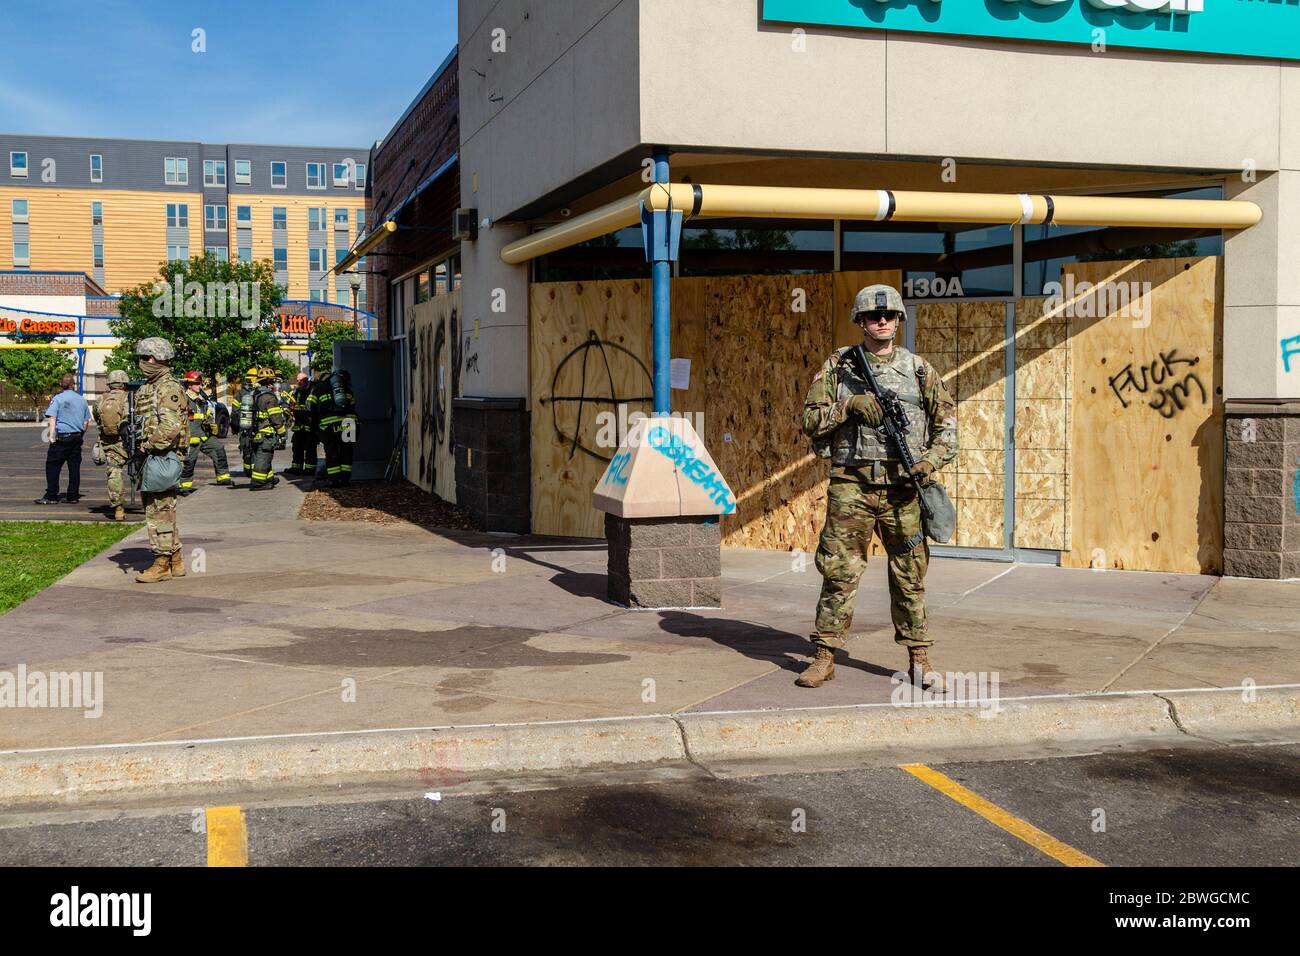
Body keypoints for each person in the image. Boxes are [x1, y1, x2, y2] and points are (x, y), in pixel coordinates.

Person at [797, 284, 958, 691]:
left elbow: (948, 430)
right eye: (872, 316)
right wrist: (847, 406)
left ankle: (920, 659)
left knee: (909, 574)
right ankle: (824, 656)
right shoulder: (840, 367)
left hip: (904, 488)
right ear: (861, 321)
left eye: (888, 315)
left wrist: (928, 462)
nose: (881, 321)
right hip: (852, 485)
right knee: (839, 571)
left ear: (899, 320)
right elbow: (811, 421)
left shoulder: (920, 370)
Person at [132, 337, 188, 584]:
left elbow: (171, 426)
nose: (142, 363)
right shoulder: (151, 387)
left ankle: (161, 564)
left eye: (145, 358)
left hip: (162, 455)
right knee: (163, 509)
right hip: (154, 455)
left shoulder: (168, 388)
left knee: (159, 511)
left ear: (156, 359)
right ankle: (176, 560)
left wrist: (146, 446)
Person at [34, 372, 92, 506]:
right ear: (73, 385)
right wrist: (81, 435)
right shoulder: (81, 400)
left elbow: (52, 418)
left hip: (62, 438)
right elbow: (86, 422)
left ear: (61, 385)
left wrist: (51, 436)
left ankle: (51, 495)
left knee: (53, 467)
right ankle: (72, 495)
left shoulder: (58, 399)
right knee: (74, 468)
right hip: (76, 437)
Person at [178, 371, 233, 495]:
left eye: (200, 383)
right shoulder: (184, 399)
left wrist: (210, 424)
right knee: (188, 462)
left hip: (203, 435)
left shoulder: (201, 399)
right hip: (190, 437)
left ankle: (223, 478)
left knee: (218, 449)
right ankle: (184, 487)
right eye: (196, 384)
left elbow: (203, 415)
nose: (199, 386)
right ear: (189, 385)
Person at [92, 369, 131, 520]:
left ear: (109, 383)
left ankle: (119, 509)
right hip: (128, 441)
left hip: (109, 442)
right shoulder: (129, 398)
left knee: (114, 473)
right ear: (124, 383)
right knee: (143, 472)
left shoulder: (101, 399)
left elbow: (97, 418)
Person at [248, 367, 287, 490]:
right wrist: (282, 433)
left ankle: (268, 478)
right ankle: (258, 483)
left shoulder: (254, 394)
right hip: (266, 432)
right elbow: (276, 418)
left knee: (266, 456)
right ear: (269, 383)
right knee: (263, 456)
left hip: (255, 431)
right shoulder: (270, 397)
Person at [318, 368, 356, 488]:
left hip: (330, 426)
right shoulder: (348, 391)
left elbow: (310, 407)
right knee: (347, 452)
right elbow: (353, 407)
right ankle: (345, 480)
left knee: (332, 452)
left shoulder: (320, 389)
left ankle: (334, 481)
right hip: (349, 425)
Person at [285, 372, 317, 476]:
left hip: (310, 425)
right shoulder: (297, 391)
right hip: (299, 424)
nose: (298, 382)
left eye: (300, 380)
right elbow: (293, 405)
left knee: (310, 447)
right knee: (297, 447)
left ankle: (310, 469)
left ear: (306, 380)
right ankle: (296, 468)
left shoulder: (312, 390)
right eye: (298, 380)